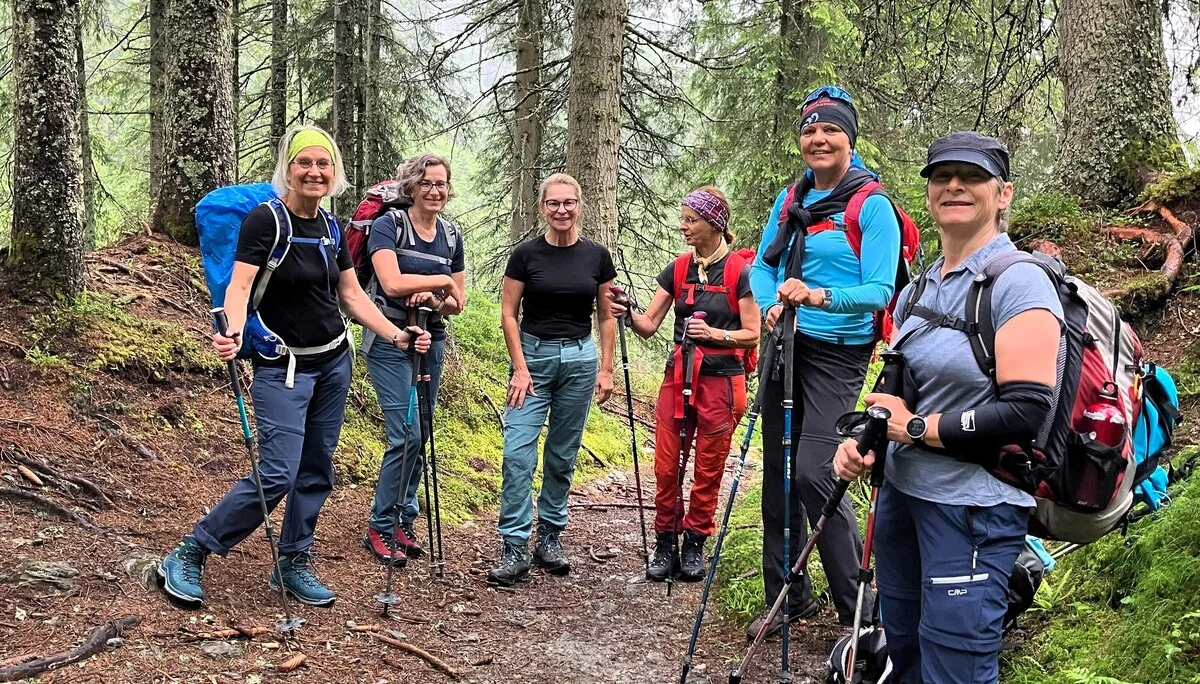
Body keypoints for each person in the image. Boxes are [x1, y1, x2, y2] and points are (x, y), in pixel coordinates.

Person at [159, 125, 431, 607]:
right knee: (278, 472)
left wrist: (396, 335)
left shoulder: (330, 226)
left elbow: (349, 295)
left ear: (335, 172)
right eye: (304, 162)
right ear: (287, 167)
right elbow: (239, 287)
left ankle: (293, 562)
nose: (314, 171)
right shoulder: (266, 220)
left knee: (316, 470)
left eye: (323, 164)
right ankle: (193, 549)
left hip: (333, 363)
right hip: (281, 366)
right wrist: (234, 331)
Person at [834, 131, 1061, 683]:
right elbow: (904, 394)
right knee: (904, 653)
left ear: (1002, 193)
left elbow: (1024, 411)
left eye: (973, 177)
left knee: (957, 666)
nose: (955, 186)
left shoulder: (1019, 282)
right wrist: (865, 439)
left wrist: (913, 428)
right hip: (904, 501)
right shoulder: (918, 290)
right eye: (942, 176)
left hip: (973, 512)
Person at [747, 85, 901, 637]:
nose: (819, 139)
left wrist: (817, 296)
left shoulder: (872, 206)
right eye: (810, 130)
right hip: (786, 345)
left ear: (849, 139)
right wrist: (769, 306)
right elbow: (761, 268)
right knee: (778, 479)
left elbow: (880, 291)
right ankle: (785, 597)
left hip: (839, 352)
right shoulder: (792, 199)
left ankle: (858, 609)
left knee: (817, 472)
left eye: (830, 130)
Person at [608, 187, 760, 582]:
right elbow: (647, 326)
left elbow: (753, 334)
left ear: (714, 223)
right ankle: (665, 542)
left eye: (690, 219)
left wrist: (713, 334)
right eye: (683, 218)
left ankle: (694, 543)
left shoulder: (740, 273)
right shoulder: (677, 269)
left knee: (708, 469)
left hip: (723, 383)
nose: (683, 226)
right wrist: (628, 312)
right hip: (678, 377)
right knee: (665, 465)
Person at [488, 173, 617, 587]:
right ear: (542, 207)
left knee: (562, 454)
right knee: (517, 454)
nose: (562, 210)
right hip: (533, 359)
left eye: (569, 202)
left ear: (580, 205)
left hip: (580, 360)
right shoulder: (525, 256)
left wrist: (606, 367)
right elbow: (509, 313)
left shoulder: (597, 256)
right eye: (553, 203)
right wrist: (520, 367)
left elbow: (606, 314)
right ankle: (513, 545)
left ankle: (550, 537)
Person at [360, 153, 466, 566]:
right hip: (389, 339)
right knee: (404, 433)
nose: (435, 190)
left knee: (420, 432)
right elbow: (390, 281)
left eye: (441, 183)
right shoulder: (390, 225)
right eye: (426, 183)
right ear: (411, 187)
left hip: (431, 338)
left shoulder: (451, 235)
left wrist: (435, 297)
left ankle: (405, 517)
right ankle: (380, 525)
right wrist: (439, 281)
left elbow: (458, 302)